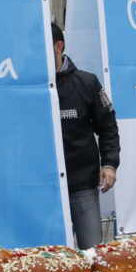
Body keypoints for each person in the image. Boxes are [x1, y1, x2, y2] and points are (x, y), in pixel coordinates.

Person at [51, 22, 120, 247]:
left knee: (93, 252)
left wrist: (109, 164)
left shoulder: (87, 82)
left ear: (58, 45)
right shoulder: (28, 88)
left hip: (82, 186)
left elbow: (108, 127)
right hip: (44, 189)